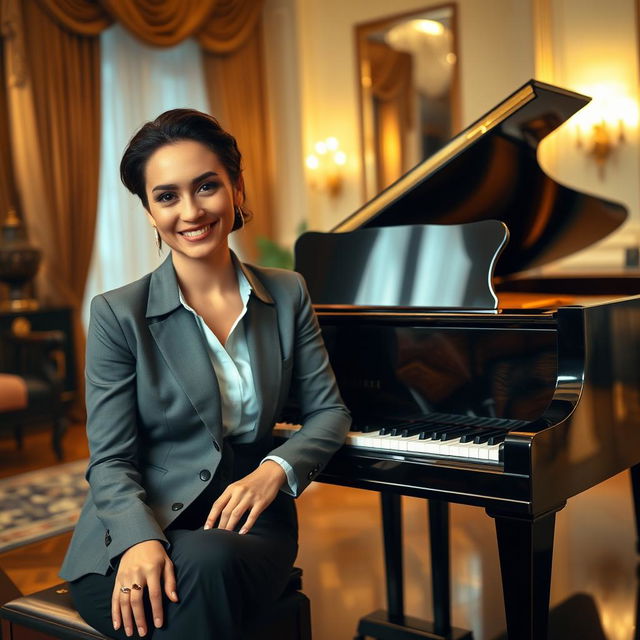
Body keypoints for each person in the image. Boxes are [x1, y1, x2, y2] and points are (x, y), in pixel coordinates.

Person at [59, 109, 351, 639]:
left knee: (210, 561)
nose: (190, 211)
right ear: (149, 211)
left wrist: (273, 472)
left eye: (206, 186)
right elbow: (110, 461)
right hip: (131, 537)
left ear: (236, 188)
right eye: (166, 196)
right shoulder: (116, 314)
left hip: (249, 524)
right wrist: (138, 541)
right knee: (197, 571)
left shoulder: (288, 293)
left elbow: (329, 412)